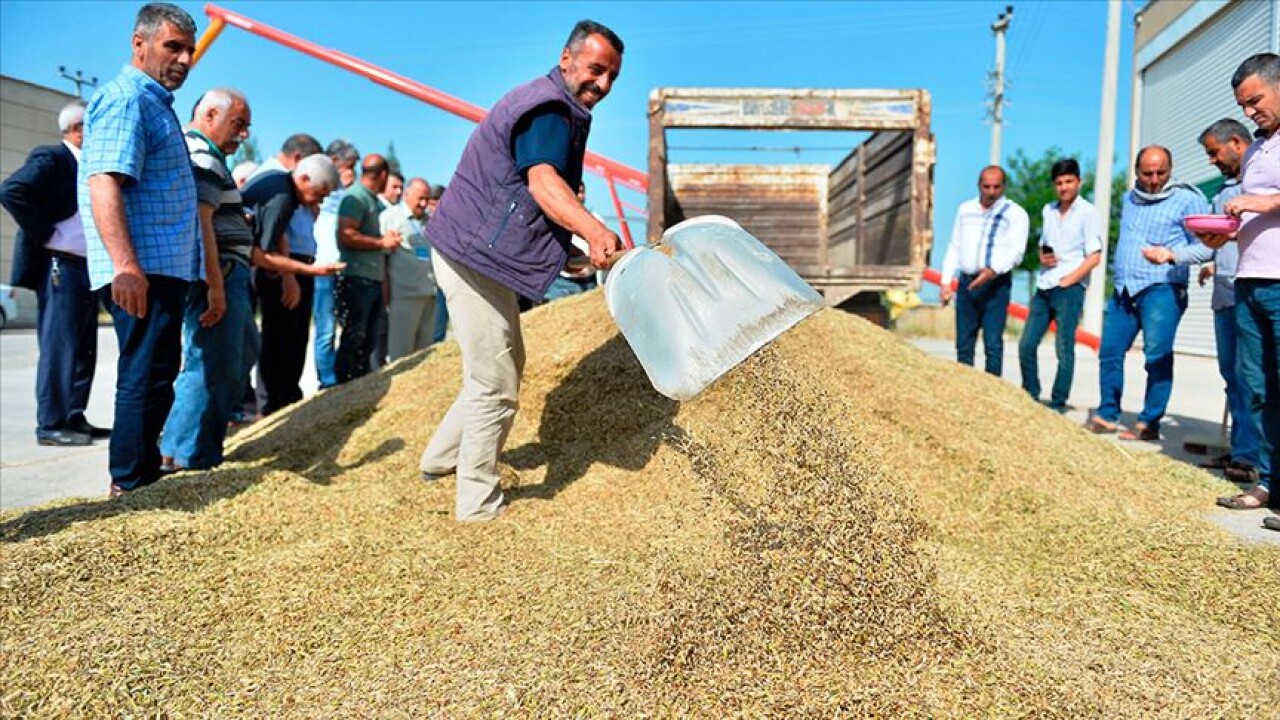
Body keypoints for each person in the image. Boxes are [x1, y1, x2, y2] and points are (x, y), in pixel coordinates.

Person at [419, 20, 625, 521]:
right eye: (596, 69)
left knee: (501, 366)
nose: (602, 84)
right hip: (471, 256)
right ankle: (478, 505)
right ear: (566, 58)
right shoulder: (550, 109)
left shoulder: (557, 105)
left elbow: (531, 197)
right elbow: (542, 184)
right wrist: (596, 232)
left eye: (613, 76)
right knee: (496, 383)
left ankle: (440, 459)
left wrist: (570, 248)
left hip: (475, 251)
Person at [160, 89, 343, 471]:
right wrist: (215, 286)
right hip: (223, 273)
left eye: (247, 127)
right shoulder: (207, 157)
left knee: (237, 354)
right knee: (211, 363)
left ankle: (189, 446)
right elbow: (204, 224)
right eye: (238, 124)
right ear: (210, 115)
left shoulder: (228, 165)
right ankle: (187, 455)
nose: (244, 135)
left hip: (228, 272)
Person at [80, 3, 199, 496]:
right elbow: (104, 182)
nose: (185, 59)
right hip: (140, 269)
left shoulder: (154, 103)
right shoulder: (128, 98)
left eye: (189, 50)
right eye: (173, 46)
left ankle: (143, 472)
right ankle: (129, 482)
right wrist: (127, 266)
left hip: (160, 267)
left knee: (157, 375)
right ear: (139, 43)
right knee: (143, 374)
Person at [1142, 119, 1258, 482]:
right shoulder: (1225, 192)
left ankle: (1256, 458)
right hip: (1224, 294)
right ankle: (1242, 453)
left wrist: (1173, 256)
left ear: (1236, 143)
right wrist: (1183, 257)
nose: (1211, 161)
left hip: (1252, 291)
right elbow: (1215, 246)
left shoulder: (1262, 183)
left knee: (1253, 378)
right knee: (1233, 376)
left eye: (1213, 152)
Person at [0, 100, 111, 446]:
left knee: (83, 347)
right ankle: (50, 424)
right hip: (59, 264)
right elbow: (11, 190)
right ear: (78, 130)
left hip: (85, 265)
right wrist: (48, 233)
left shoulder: (89, 166)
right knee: (60, 346)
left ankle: (73, 416)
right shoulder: (52, 157)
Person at [1201, 54, 1280, 526]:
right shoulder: (1255, 150)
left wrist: (1263, 200)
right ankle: (1269, 482)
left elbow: (1265, 204)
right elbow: (1255, 217)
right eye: (1243, 105)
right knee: (1259, 388)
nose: (1249, 113)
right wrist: (1224, 234)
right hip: (1249, 278)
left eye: (1255, 101)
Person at [1085, 146, 1209, 441]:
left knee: (1156, 355)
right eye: (1147, 173)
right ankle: (1107, 413)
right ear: (1136, 171)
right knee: (1110, 352)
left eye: (1161, 173)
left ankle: (1149, 421)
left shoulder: (1188, 200)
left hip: (1162, 289)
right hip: (1124, 289)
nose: (1154, 180)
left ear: (1170, 169)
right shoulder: (1129, 198)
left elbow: (1207, 246)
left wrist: (1171, 254)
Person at [247, 133, 326, 415]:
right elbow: (274, 236)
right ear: (299, 162)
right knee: (278, 338)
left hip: (292, 264)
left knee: (293, 339)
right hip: (279, 268)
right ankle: (271, 406)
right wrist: (288, 276)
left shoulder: (289, 184)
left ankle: (286, 400)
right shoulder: (277, 184)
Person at [1017, 158, 1102, 412]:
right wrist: (1043, 254)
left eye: (1069, 181)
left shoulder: (1088, 212)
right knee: (1027, 344)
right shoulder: (1048, 210)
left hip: (1069, 287)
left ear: (1079, 182)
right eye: (1059, 183)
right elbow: (1045, 242)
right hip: (1045, 285)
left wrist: (1069, 281)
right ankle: (1031, 394)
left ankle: (1057, 402)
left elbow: (1094, 256)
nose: (1064, 187)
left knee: (1064, 348)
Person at [939, 165, 1029, 376]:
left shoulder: (1015, 214)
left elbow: (1016, 252)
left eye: (996, 187)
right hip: (967, 282)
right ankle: (963, 390)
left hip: (995, 285)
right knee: (964, 343)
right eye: (986, 186)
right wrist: (945, 281)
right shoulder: (965, 210)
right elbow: (955, 245)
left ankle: (992, 394)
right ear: (978, 185)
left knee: (992, 344)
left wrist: (992, 271)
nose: (991, 192)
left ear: (1004, 187)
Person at [333, 153, 400, 384]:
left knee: (368, 339)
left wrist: (381, 239)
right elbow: (346, 235)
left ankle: (358, 385)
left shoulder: (370, 199)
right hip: (356, 278)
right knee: (354, 337)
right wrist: (381, 243)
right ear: (383, 175)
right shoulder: (356, 198)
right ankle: (342, 388)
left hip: (371, 278)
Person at [312, 138, 359, 389]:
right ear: (333, 162)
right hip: (322, 266)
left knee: (346, 325)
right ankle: (327, 381)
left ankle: (344, 375)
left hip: (345, 267)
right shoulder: (319, 189)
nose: (351, 172)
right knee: (326, 328)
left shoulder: (348, 194)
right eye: (348, 165)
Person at [381, 177, 437, 360]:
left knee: (425, 354)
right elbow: (382, 256)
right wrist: (385, 290)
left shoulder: (431, 220)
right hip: (404, 295)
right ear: (406, 195)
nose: (423, 204)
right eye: (419, 198)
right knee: (401, 354)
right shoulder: (390, 217)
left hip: (429, 293)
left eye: (426, 199)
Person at [541, 183, 603, 302]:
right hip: (562, 282)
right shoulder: (556, 219)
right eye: (577, 191)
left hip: (590, 280)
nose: (581, 195)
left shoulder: (597, 219)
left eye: (582, 191)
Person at [429, 183, 451, 343]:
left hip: (448, 281)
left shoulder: (451, 222)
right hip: (431, 283)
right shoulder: (424, 223)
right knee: (435, 329)